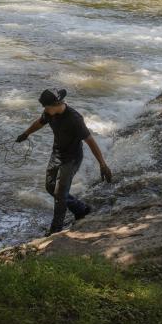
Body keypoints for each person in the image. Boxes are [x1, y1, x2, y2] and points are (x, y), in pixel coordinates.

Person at [16, 88, 112, 236]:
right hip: (57, 154)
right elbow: (40, 122)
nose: (45, 110)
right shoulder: (50, 113)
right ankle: (81, 209)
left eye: (47, 107)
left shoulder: (74, 119)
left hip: (72, 158)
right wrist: (26, 133)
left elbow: (90, 141)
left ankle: (55, 231)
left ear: (57, 103)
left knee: (60, 194)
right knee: (50, 187)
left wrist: (103, 164)